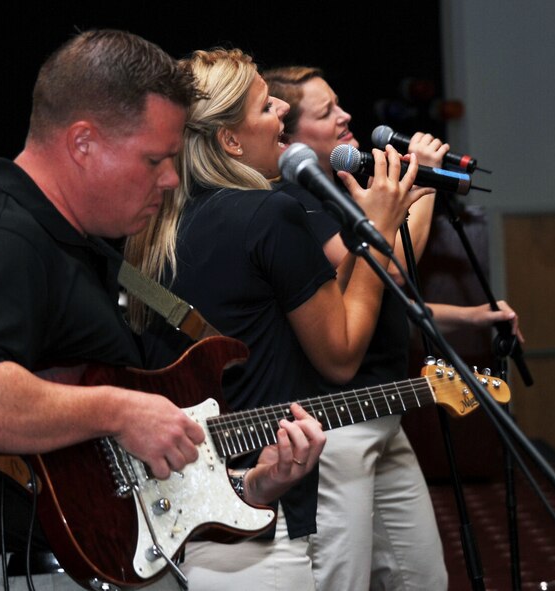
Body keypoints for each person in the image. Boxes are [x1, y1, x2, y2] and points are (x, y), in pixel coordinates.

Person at [0, 30, 323, 591]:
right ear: (83, 143)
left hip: (110, 564)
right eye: (155, 159)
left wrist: (250, 486)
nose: (172, 179)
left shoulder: (76, 245)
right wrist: (120, 409)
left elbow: (100, 469)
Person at [123, 48, 427, 590]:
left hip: (183, 508)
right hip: (262, 512)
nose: (282, 112)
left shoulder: (154, 227)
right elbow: (340, 355)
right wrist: (378, 230)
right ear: (230, 141)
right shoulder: (268, 212)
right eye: (267, 107)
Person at [263, 65, 524, 591]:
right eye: (326, 111)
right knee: (344, 579)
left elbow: (376, 294)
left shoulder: (341, 191)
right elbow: (392, 265)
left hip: (386, 412)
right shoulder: (293, 205)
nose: (345, 116)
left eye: (340, 103)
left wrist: (471, 316)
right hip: (337, 424)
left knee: (421, 577)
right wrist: (422, 188)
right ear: (288, 135)